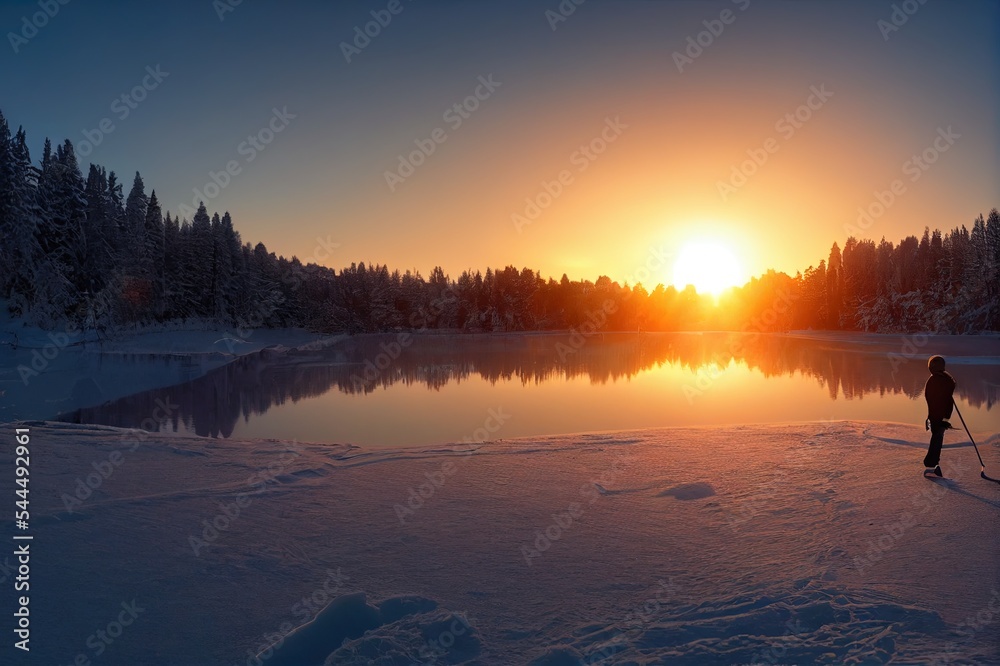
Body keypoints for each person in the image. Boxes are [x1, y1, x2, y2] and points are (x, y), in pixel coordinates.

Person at [923, 355, 957, 476]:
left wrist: (935, 418)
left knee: (937, 437)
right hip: (943, 416)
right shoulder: (946, 379)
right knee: (937, 437)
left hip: (938, 416)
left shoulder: (936, 380)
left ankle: (932, 464)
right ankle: (931, 463)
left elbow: (934, 402)